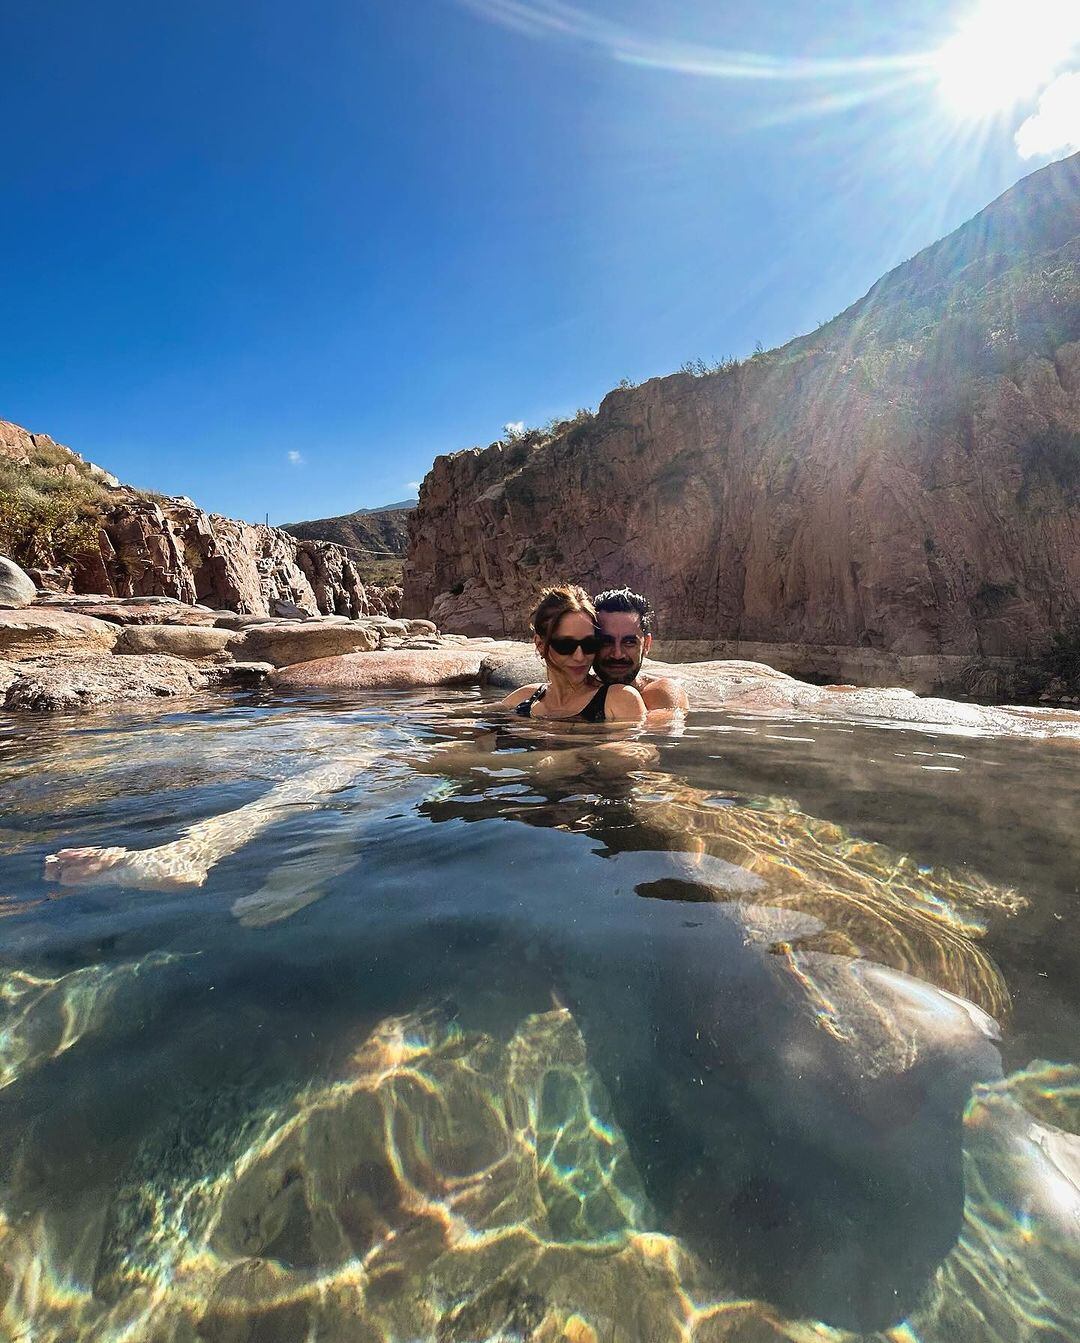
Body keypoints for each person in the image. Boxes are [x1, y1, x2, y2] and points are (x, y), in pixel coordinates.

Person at [501, 585, 646, 723]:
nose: (579, 657)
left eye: (589, 644)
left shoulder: (619, 699)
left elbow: (634, 749)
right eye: (566, 645)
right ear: (540, 644)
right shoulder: (523, 699)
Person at [592, 587, 689, 713]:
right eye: (606, 642)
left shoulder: (661, 693)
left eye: (629, 642)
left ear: (647, 644)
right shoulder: (574, 691)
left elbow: (663, 729)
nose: (617, 654)